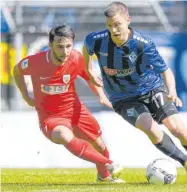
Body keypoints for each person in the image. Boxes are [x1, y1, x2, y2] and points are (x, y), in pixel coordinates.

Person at [83, 1, 187, 184]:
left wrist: (172, 91)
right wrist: (89, 70)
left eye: (117, 24)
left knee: (177, 129)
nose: (114, 29)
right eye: (109, 25)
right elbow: (86, 51)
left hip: (151, 89)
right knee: (150, 128)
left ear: (128, 20)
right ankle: (186, 162)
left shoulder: (143, 44)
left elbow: (165, 71)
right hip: (123, 98)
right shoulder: (95, 40)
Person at [13, 24, 124, 183]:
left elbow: (89, 78)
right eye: (59, 46)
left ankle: (104, 177)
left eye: (68, 46)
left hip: (75, 110)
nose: (65, 51)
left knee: (99, 144)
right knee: (64, 135)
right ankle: (108, 164)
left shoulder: (76, 58)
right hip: (50, 116)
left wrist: (100, 95)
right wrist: (25, 95)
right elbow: (17, 71)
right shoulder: (36, 62)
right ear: (50, 44)